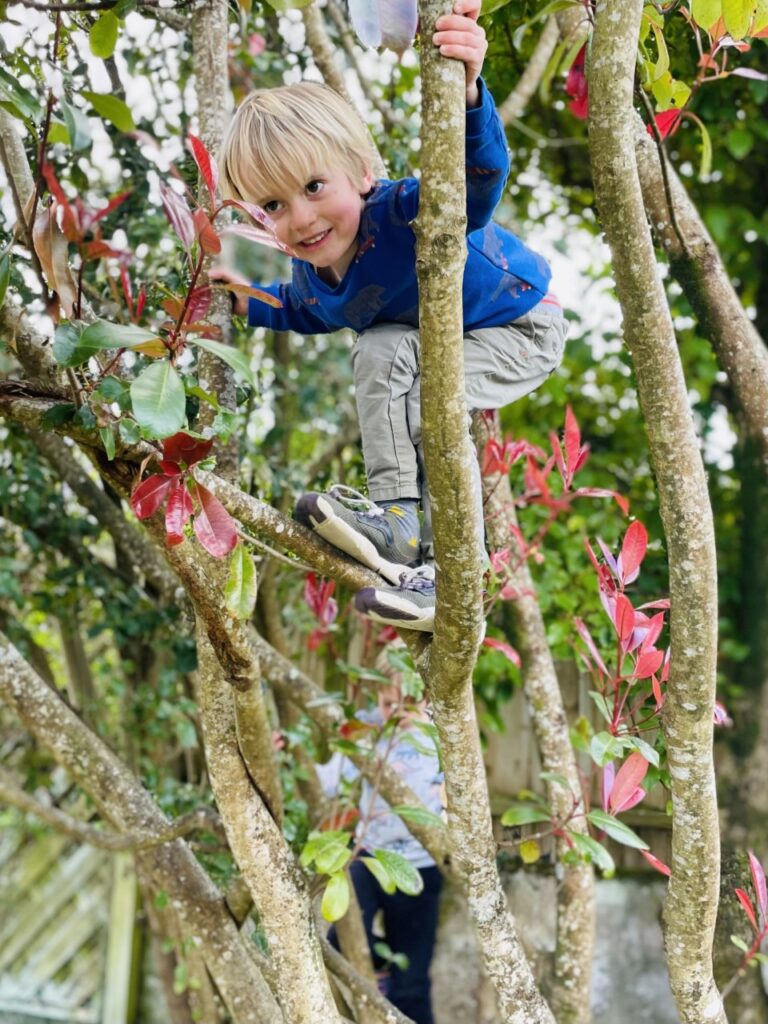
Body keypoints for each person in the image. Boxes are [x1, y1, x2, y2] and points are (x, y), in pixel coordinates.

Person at [215, 0, 567, 632]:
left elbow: (477, 185)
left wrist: (466, 94)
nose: (299, 217)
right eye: (273, 204)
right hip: (445, 341)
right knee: (377, 349)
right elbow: (300, 308)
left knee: (428, 395)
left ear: (362, 175)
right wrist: (243, 301)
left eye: (314, 187)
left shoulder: (404, 211)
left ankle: (456, 575)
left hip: (521, 325)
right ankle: (401, 528)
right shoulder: (315, 277)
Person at [317, 644, 445, 1024]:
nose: (394, 715)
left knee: (414, 984)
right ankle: (380, 970)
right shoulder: (367, 729)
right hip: (369, 857)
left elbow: (457, 797)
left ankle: (397, 982)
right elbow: (328, 782)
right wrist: (289, 749)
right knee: (342, 939)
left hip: (422, 867)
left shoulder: (441, 734)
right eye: (387, 704)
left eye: (405, 705)